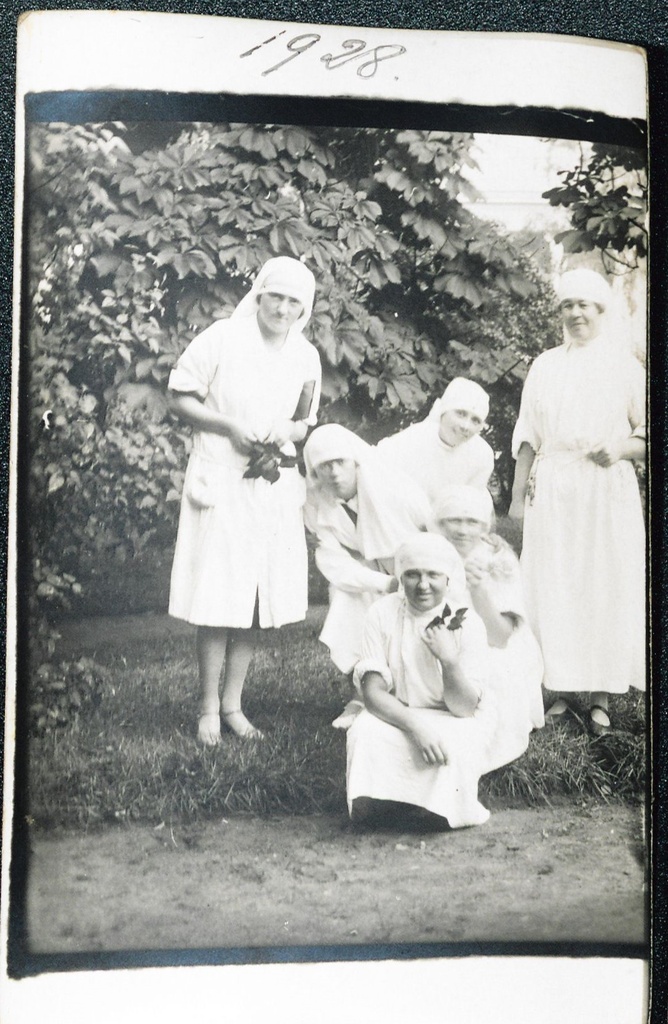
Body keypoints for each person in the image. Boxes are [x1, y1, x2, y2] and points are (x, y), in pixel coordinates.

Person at [168, 257, 322, 745]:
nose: (282, 307)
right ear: (259, 294)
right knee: (219, 594)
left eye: (294, 300)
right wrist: (231, 427)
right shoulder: (221, 338)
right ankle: (207, 707)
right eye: (275, 295)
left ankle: (234, 704)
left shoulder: (306, 356)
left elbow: (305, 420)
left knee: (254, 598)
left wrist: (287, 430)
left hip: (270, 485)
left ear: (304, 308)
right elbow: (180, 397)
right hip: (221, 478)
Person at [508, 268, 646, 736]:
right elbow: (526, 435)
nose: (575, 313)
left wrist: (623, 448)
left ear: (601, 311)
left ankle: (601, 699)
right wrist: (515, 499)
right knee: (554, 584)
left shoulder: (625, 365)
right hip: (554, 487)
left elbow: (650, 431)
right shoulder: (545, 364)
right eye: (568, 305)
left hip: (607, 488)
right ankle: (562, 693)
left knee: (601, 583)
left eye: (584, 305)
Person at [342, 533, 496, 829]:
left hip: (451, 715)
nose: (422, 585)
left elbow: (464, 708)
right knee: (365, 732)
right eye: (412, 575)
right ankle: (380, 806)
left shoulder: (467, 622)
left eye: (433, 575)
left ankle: (435, 811)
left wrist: (448, 660)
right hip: (397, 713)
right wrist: (415, 726)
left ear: (448, 579)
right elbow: (373, 694)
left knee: (456, 740)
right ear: (401, 578)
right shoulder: (381, 613)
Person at [303, 423, 437, 675]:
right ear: (314, 473)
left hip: (417, 572)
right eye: (324, 466)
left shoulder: (395, 488)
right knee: (345, 600)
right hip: (369, 577)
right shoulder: (314, 503)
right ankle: (363, 685)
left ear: (355, 461)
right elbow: (333, 561)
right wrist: (385, 583)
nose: (333, 472)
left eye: (340, 462)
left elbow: (434, 535)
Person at [432, 485, 544, 770]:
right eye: (453, 520)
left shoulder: (499, 559)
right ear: (439, 522)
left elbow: (499, 636)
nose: (462, 530)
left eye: (472, 522)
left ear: (485, 525)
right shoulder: (431, 552)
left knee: (489, 678)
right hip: (443, 640)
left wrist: (479, 589)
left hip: (493, 644)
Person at [376, 377, 494, 503]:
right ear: (443, 412)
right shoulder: (416, 436)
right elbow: (377, 467)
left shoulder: (482, 456)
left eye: (475, 421)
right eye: (461, 414)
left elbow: (468, 507)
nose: (465, 426)